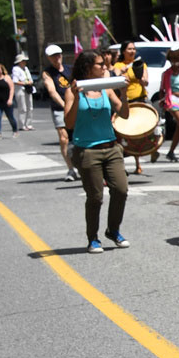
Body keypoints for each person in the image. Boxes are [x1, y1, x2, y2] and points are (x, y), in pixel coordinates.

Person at [63, 50, 131, 253]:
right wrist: (76, 97)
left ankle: (113, 230)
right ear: (87, 68)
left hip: (111, 148)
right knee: (95, 197)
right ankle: (93, 237)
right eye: (100, 64)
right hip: (87, 151)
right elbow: (69, 122)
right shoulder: (72, 90)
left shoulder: (107, 89)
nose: (104, 67)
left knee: (121, 189)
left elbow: (125, 114)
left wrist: (124, 93)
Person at [39, 44, 78, 182]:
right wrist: (64, 105)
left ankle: (82, 163)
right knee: (63, 138)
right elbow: (52, 91)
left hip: (74, 106)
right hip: (59, 108)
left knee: (78, 137)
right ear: (49, 58)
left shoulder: (70, 69)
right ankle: (71, 169)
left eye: (58, 54)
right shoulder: (48, 73)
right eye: (53, 56)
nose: (57, 58)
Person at [113, 41, 149, 174]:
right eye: (129, 49)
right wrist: (122, 72)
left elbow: (146, 81)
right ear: (123, 51)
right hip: (126, 102)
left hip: (140, 99)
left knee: (140, 131)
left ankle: (138, 163)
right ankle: (121, 165)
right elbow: (115, 80)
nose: (132, 51)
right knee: (124, 134)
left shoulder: (140, 63)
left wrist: (141, 78)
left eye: (134, 49)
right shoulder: (118, 65)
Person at [0, 63, 18, 139]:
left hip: (7, 101)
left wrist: (10, 99)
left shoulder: (6, 78)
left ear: (2, 70)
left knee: (10, 117)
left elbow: (12, 89)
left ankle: (15, 130)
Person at [11, 53, 35, 131]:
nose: (25, 62)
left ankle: (29, 124)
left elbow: (30, 79)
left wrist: (30, 82)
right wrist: (25, 83)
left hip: (28, 89)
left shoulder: (26, 68)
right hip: (20, 89)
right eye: (23, 61)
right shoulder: (16, 69)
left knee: (30, 107)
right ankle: (22, 124)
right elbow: (15, 80)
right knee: (23, 108)